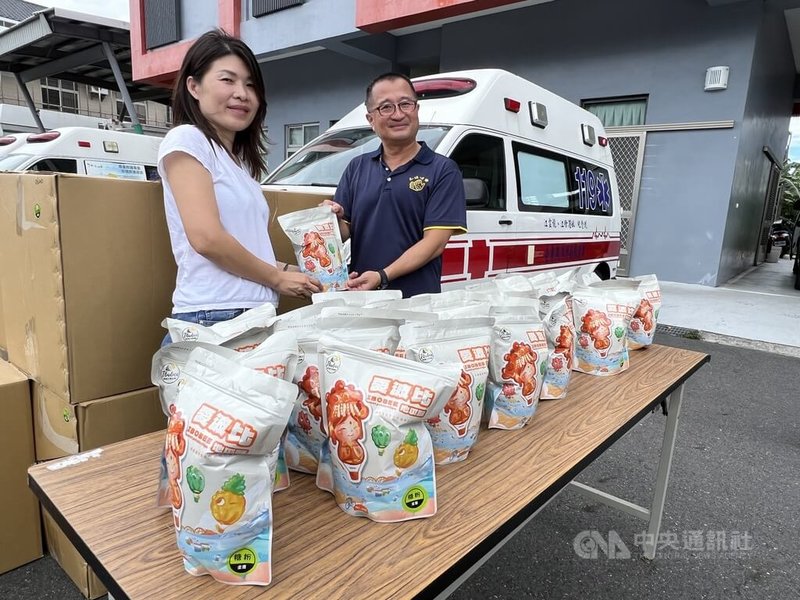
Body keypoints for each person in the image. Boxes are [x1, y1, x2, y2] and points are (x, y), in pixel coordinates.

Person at [159, 30, 320, 339]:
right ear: (194, 86)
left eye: (250, 84)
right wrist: (275, 278)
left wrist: (299, 274)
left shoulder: (239, 164)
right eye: (227, 80)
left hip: (251, 315)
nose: (242, 93)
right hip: (214, 316)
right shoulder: (187, 140)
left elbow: (244, 250)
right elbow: (206, 238)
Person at [326, 72, 467, 298]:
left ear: (417, 110)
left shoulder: (443, 170)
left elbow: (434, 243)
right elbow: (344, 232)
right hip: (362, 296)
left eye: (405, 104)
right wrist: (332, 219)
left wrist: (382, 276)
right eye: (386, 108)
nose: (398, 114)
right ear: (371, 119)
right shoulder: (357, 167)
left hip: (416, 303)